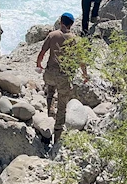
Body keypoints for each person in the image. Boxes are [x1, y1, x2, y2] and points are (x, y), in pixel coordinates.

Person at [36, 12, 89, 148]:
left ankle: (49, 114)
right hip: (64, 77)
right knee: (62, 105)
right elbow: (82, 61)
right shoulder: (75, 40)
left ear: (61, 22)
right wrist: (85, 74)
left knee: (50, 92)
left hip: (50, 74)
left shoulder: (52, 35)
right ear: (71, 25)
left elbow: (42, 53)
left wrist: (39, 64)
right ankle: (57, 134)